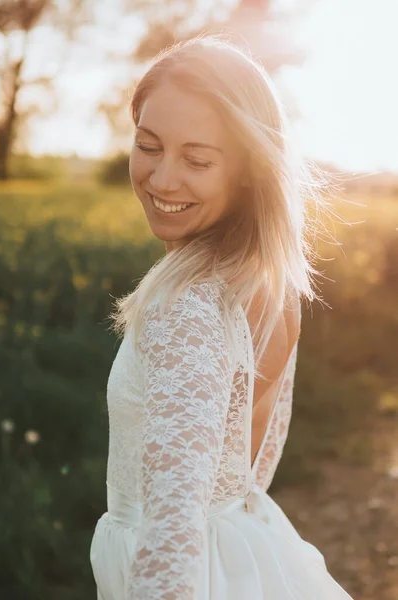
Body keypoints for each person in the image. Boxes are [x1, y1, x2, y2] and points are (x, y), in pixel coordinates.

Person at [90, 34, 354, 600]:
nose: (162, 178)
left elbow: (171, 529)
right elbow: (247, 472)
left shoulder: (189, 303)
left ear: (248, 170)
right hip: (249, 558)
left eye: (197, 159)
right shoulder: (268, 282)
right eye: (149, 144)